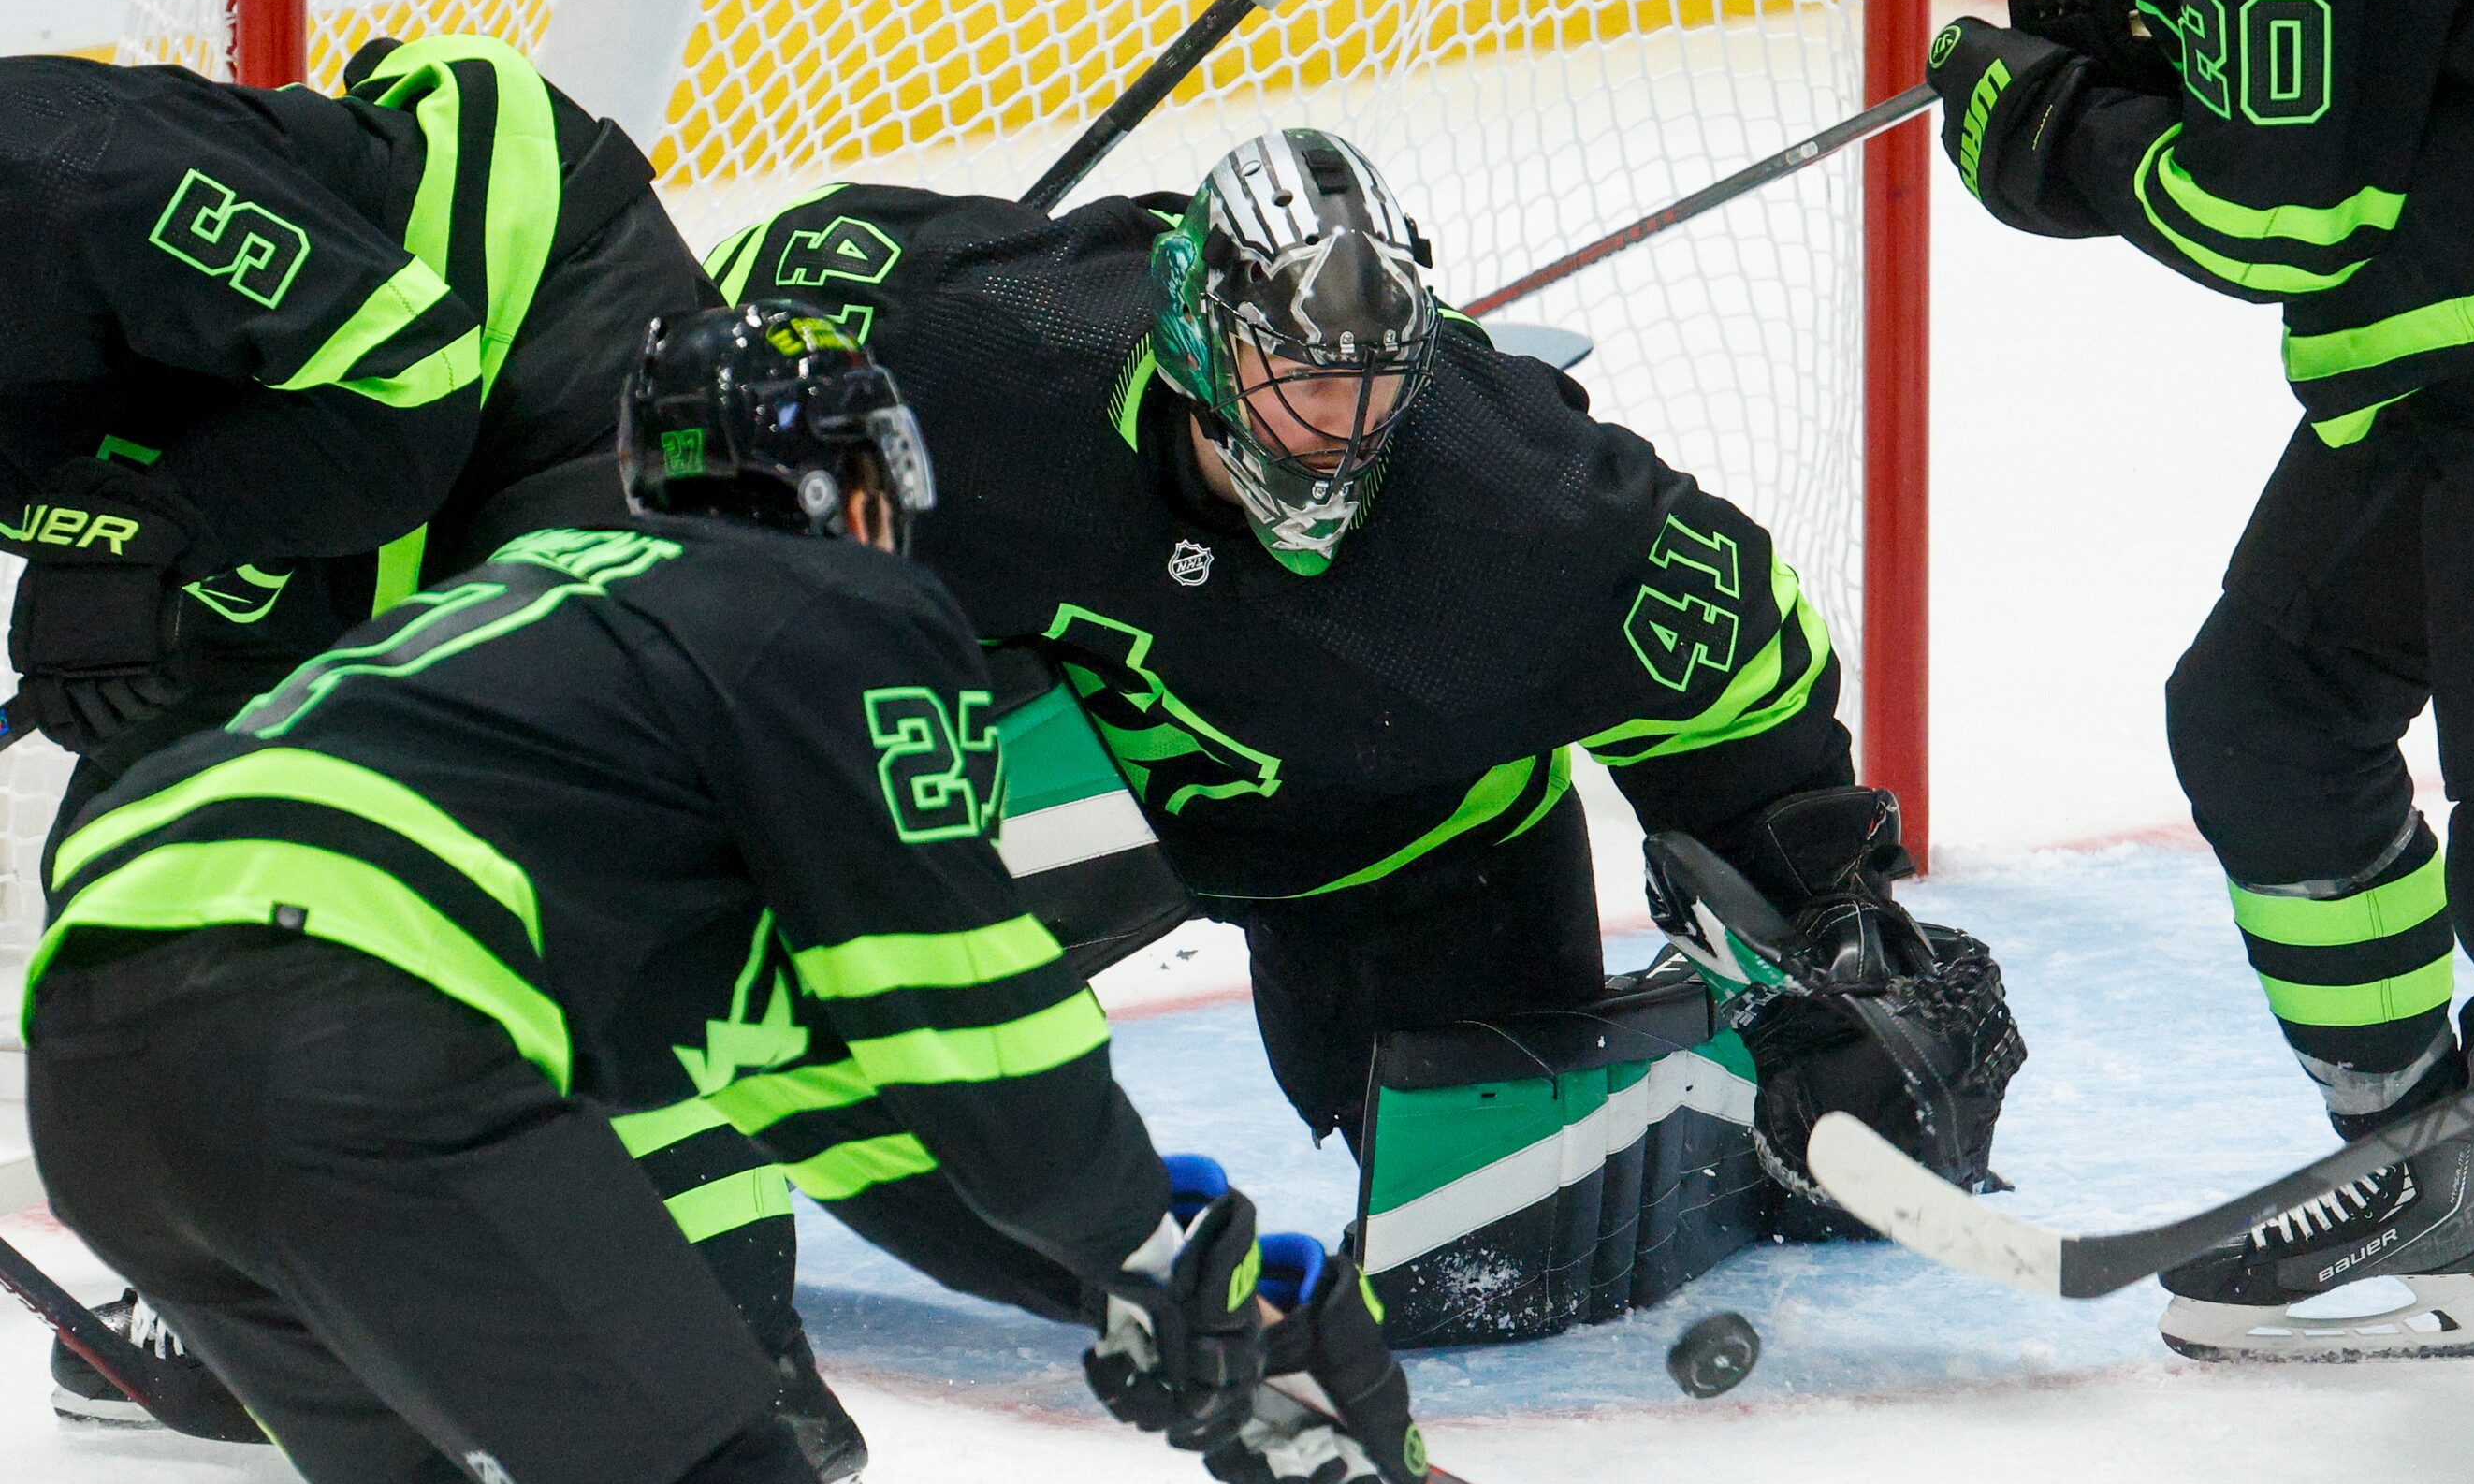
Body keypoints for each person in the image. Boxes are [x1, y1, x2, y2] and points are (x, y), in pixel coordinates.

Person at [21, 300, 1423, 1484]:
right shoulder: (826, 617)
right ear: (849, 489)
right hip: (350, 1029)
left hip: (104, 1060)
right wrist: (1151, 1245)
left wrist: (1137, 1290)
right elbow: (970, 1015)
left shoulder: (578, 656)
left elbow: (849, 1114)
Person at [707, 128, 2028, 1344]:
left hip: (1394, 838)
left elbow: (1743, 639)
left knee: (1481, 1261)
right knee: (744, 889)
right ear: (1198, 348)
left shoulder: (1508, 496)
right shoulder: (988, 348)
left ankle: (1763, 1105)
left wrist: (1828, 914)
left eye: (1375, 388)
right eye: (1298, 388)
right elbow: (758, 280)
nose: (1341, 438)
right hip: (1051, 767)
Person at [0, 35, 879, 1484]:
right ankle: (357, 1328)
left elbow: (405, 379)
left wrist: (158, 533)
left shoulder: (68, 168)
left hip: (524, 331)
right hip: (308, 448)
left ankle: (741, 1394)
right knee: (140, 871)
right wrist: (138, 575)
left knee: (552, 878)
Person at [1925, 0, 2474, 1484]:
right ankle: (2426, 1177)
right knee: (2267, 714)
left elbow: (2282, 219)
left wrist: (2049, 132)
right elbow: (2415, 1)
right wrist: (2171, 31)